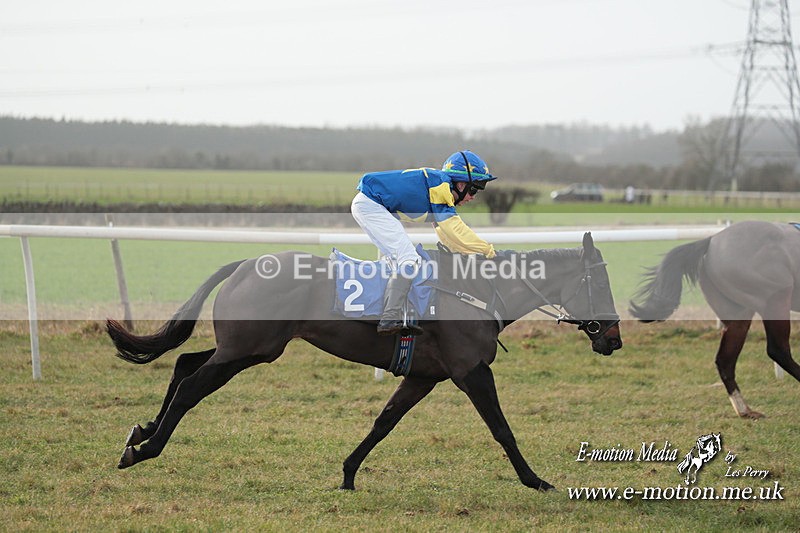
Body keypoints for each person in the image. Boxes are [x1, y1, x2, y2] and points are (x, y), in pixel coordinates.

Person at [351, 150, 497, 336]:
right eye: (474, 189)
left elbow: (444, 231)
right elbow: (454, 228)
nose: (473, 197)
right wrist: (487, 250)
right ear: (461, 184)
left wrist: (454, 250)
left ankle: (395, 312)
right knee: (409, 259)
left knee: (400, 260)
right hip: (371, 205)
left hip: (370, 204)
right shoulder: (441, 187)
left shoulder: (440, 187)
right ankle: (389, 318)